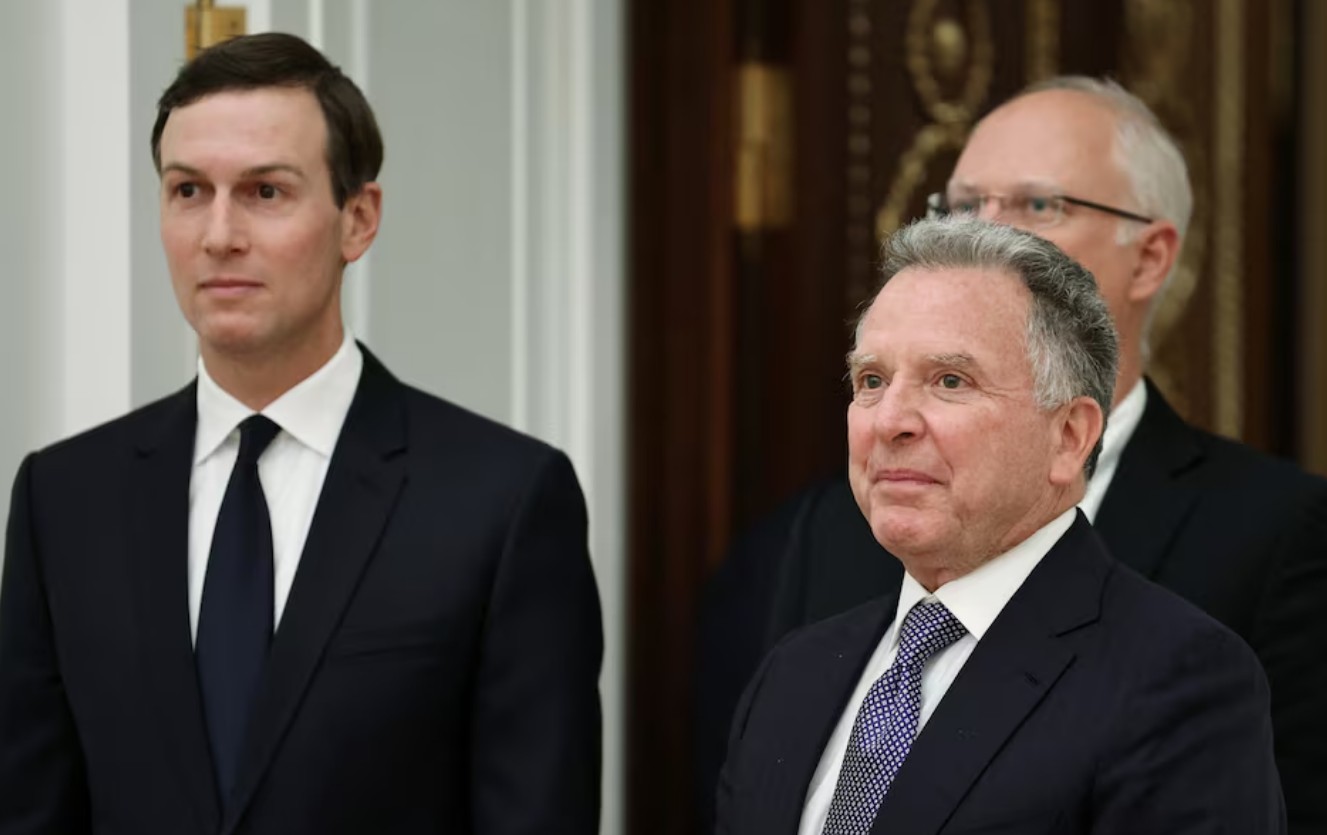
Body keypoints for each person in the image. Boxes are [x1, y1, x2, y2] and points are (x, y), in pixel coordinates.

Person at [0, 32, 602, 834]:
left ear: (358, 219)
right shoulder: (63, 498)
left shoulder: (502, 501)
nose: (218, 234)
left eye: (265, 191)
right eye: (188, 190)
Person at [697, 76, 1327, 833]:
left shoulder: (1190, 662)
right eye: (870, 380)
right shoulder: (794, 667)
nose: (890, 420)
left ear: (1071, 436)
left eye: (950, 380)